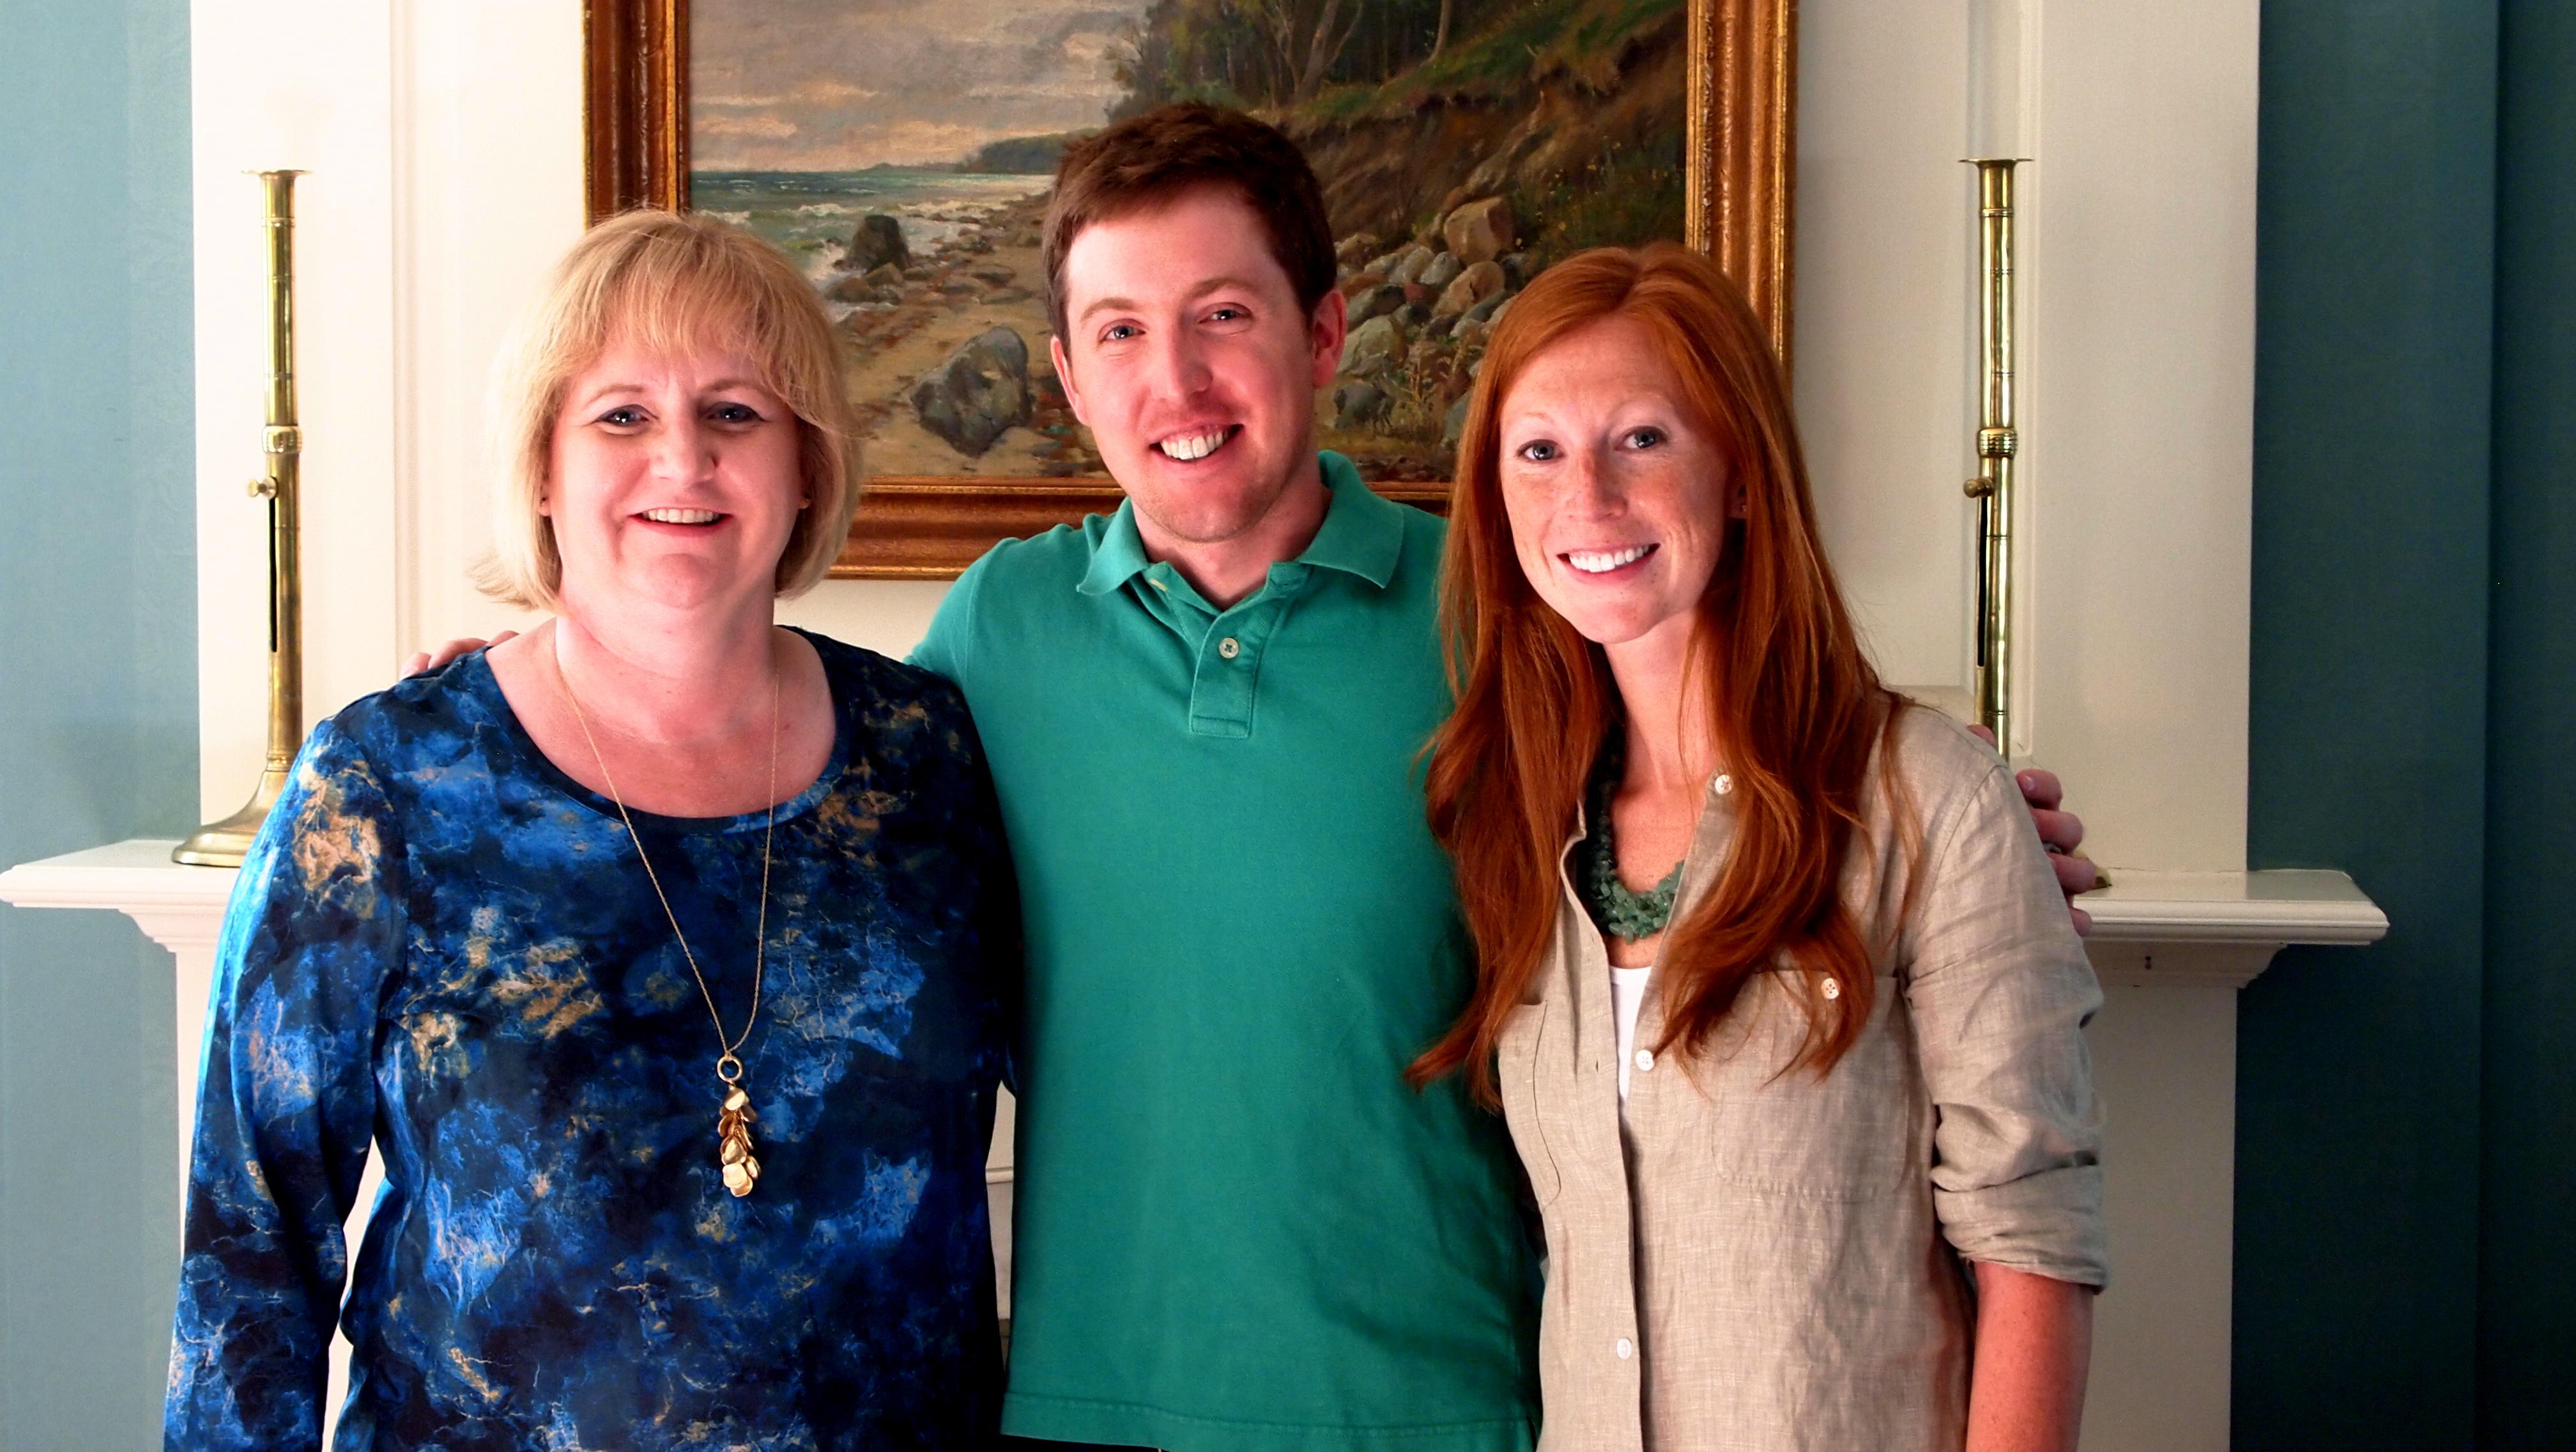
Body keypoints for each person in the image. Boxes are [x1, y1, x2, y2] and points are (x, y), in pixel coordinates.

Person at [406, 104, 2097, 1451]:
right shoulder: (999, 633)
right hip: (1087, 1406)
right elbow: (771, 781)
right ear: (1068, 379)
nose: (1179, 381)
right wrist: (534, 702)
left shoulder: (1496, 615)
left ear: (1326, 330)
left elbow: (1708, 771)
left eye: (1225, 316)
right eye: (1121, 331)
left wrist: (1953, 838)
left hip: (1452, 1403)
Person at [167, 210, 1016, 1450]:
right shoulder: (388, 784)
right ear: (543, 470)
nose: (683, 458)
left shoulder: (928, 753)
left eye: (736, 412)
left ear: (806, 468)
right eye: (622, 415)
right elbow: (250, 1241)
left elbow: (1094, 1088)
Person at [1413, 242, 2104, 1452]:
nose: (1588, 496)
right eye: (1539, 451)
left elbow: (2032, 1241)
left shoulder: (1924, 798)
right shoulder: (1517, 826)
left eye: (1642, 438)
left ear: (1740, 474)